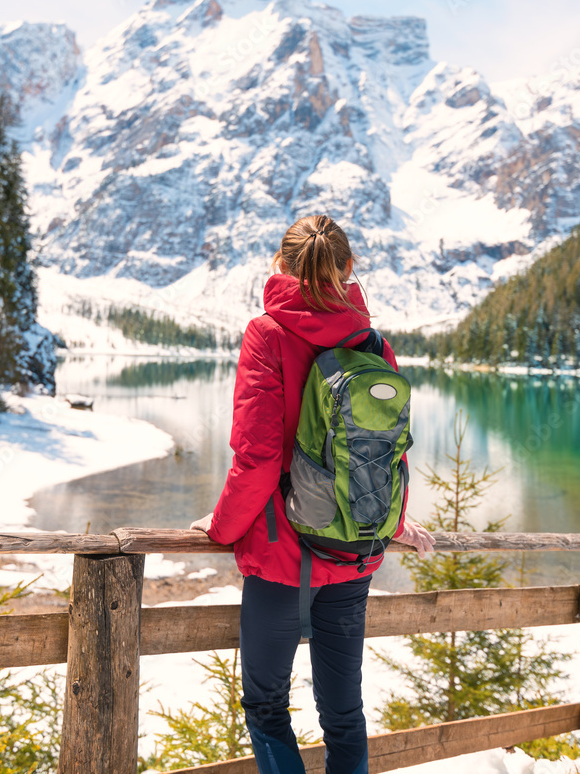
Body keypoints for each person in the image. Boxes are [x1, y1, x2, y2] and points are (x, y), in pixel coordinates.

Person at [189, 214, 435, 774]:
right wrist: (393, 522)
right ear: (349, 269)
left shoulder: (267, 334)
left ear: (281, 265)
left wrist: (221, 530)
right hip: (352, 554)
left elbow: (256, 458)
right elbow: (386, 454)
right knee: (344, 715)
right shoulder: (373, 343)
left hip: (280, 557)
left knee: (268, 705)